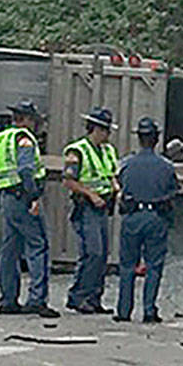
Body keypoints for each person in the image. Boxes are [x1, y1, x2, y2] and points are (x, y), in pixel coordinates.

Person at [0, 100, 59, 318]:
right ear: (26, 119)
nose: (35, 125)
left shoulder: (0, 139)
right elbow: (26, 170)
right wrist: (33, 196)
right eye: (33, 120)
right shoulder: (24, 140)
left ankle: (8, 299)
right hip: (23, 198)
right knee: (38, 245)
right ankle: (37, 299)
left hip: (8, 198)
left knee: (10, 250)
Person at [116, 117, 179, 324]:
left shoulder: (127, 164)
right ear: (156, 139)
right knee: (153, 265)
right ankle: (149, 310)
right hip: (155, 218)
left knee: (127, 266)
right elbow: (173, 193)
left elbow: (119, 186)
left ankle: (124, 310)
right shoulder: (166, 166)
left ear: (139, 138)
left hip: (132, 217)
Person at [63, 107, 119, 314]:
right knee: (92, 253)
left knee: (102, 254)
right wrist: (90, 194)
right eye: (105, 130)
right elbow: (69, 181)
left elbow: (111, 173)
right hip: (86, 207)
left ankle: (94, 298)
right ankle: (78, 296)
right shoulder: (76, 151)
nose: (108, 135)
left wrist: (115, 188)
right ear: (95, 129)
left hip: (103, 207)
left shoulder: (107, 150)